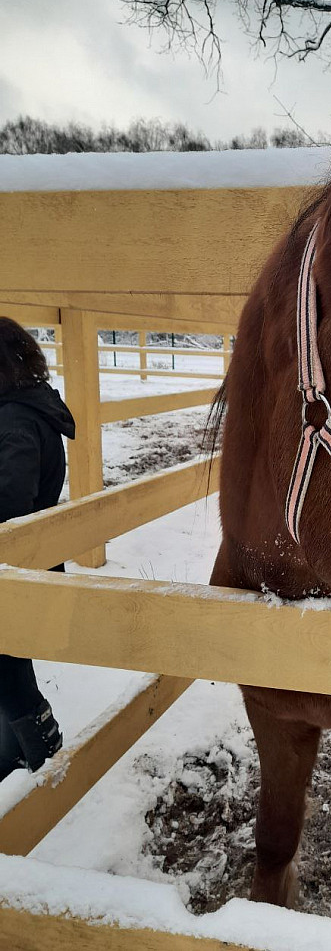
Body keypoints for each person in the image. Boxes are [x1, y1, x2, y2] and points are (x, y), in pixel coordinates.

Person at [0, 317, 74, 781]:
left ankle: (38, 748)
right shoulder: (25, 410)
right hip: (27, 563)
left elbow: (9, 503)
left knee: (6, 663)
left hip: (13, 565)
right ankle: (20, 749)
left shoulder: (15, 421)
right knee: (8, 658)